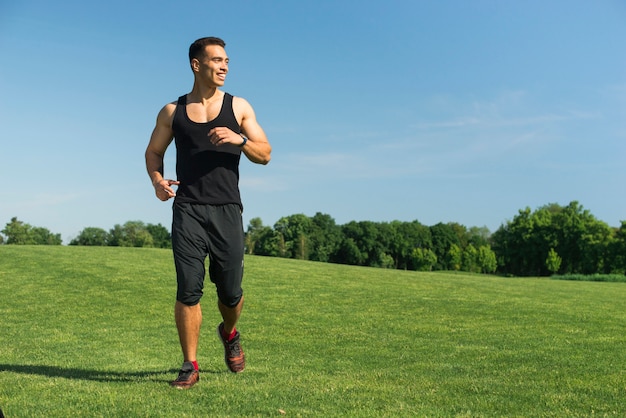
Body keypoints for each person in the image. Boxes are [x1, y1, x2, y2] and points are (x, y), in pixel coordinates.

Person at [145, 36, 271, 389]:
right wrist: (157, 180)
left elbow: (266, 153)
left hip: (227, 210)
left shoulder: (240, 107)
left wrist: (240, 141)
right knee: (188, 288)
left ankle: (229, 332)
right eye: (217, 60)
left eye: (227, 61)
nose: (224, 66)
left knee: (230, 292)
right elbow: (153, 152)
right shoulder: (173, 111)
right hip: (187, 209)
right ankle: (189, 364)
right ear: (196, 65)